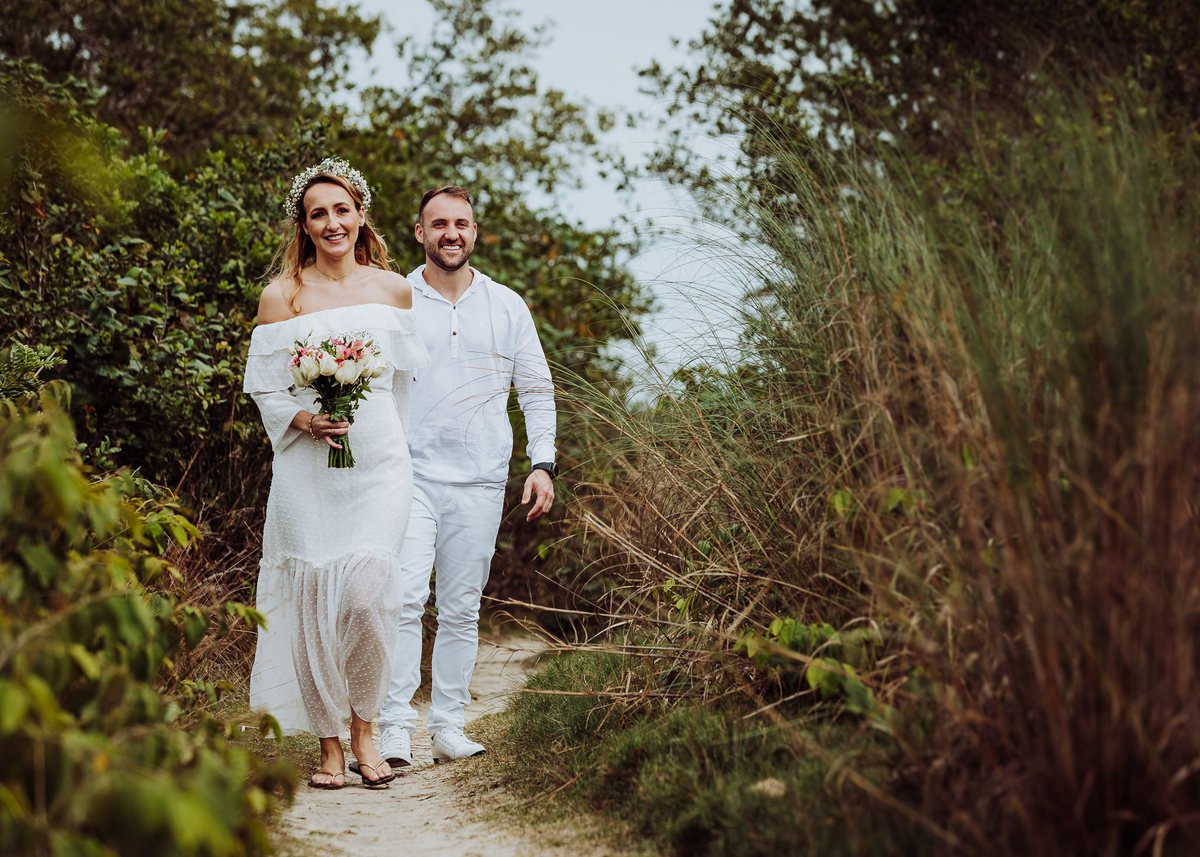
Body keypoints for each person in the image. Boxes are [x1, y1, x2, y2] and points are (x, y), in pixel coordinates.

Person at [243, 158, 429, 790]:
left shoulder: (394, 289)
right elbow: (263, 389)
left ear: (360, 215)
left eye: (341, 209)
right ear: (304, 223)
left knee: (370, 591)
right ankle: (328, 745)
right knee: (313, 598)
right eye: (318, 212)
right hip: (307, 469)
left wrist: (380, 437)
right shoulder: (282, 297)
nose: (332, 222)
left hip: (378, 463)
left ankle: (365, 728)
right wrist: (304, 420)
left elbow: (403, 385)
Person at [373, 185, 557, 766]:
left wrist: (543, 463)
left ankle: (447, 725)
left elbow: (535, 388)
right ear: (420, 232)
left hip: (480, 479)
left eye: (462, 223)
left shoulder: (507, 305)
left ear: (474, 233)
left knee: (460, 608)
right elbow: (370, 384)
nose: (451, 233)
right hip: (409, 475)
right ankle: (393, 726)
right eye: (439, 224)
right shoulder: (394, 301)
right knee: (402, 598)